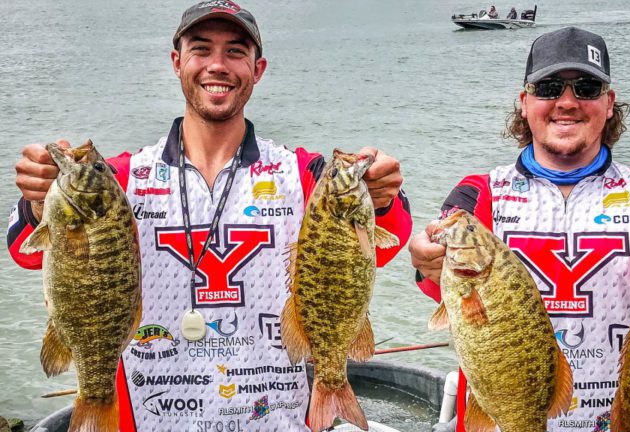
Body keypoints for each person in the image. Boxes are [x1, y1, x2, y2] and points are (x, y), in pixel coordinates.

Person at [7, 1, 412, 430]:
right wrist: (37, 200)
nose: (217, 65)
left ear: (258, 69)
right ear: (177, 62)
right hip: (147, 418)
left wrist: (383, 196)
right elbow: (28, 253)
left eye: (236, 51)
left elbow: (379, 246)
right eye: (202, 49)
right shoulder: (120, 178)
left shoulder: (301, 173)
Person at [409, 27, 630, 432]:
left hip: (627, 418)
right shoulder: (478, 193)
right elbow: (437, 284)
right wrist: (425, 263)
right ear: (524, 103)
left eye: (586, 86)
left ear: (609, 103)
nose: (567, 102)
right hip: (504, 415)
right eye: (548, 87)